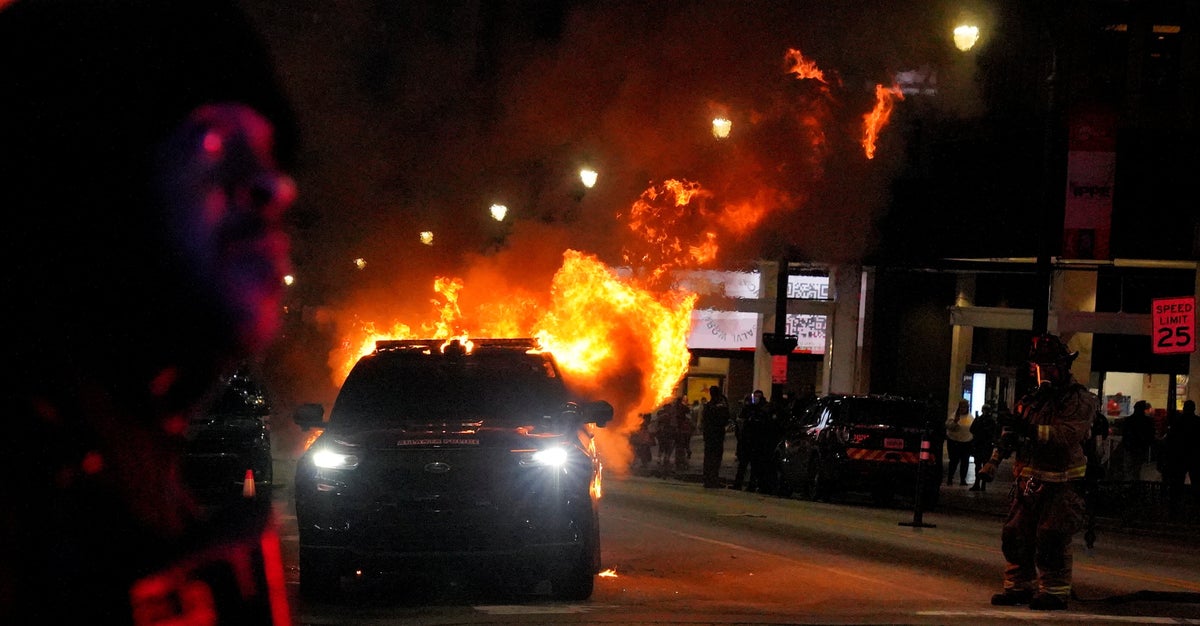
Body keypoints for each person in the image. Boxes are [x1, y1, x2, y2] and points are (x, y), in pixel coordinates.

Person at [1, 1, 300, 623]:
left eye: (268, 152)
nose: (275, 187)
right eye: (217, 145)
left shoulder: (153, 479)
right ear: (94, 185)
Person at [977, 333, 1098, 611]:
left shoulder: (1079, 400)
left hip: (1063, 483)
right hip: (1028, 483)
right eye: (1037, 367)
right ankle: (1019, 587)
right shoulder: (1030, 400)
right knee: (1015, 535)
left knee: (1052, 537)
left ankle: (1054, 593)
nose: (1042, 373)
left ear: (1063, 366)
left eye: (1049, 366)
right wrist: (992, 463)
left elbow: (1068, 434)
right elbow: (1010, 435)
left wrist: (1029, 429)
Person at [1162, 399, 1198, 516]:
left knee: (1177, 482)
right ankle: (1194, 506)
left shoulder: (1178, 422)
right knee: (1196, 481)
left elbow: (1171, 439)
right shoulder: (1197, 422)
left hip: (1179, 456)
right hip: (1194, 455)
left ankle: (1175, 507)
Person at [733, 390, 770, 491]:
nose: (756, 398)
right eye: (755, 396)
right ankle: (738, 483)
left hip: (757, 441)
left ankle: (752, 485)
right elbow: (741, 422)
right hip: (747, 441)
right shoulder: (749, 408)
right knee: (743, 464)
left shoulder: (764, 408)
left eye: (758, 397)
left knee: (754, 465)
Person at [701, 385, 732, 488]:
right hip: (717, 435)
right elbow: (726, 416)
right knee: (715, 458)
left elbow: (704, 420)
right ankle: (713, 480)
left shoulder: (708, 406)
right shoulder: (719, 406)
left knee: (708, 458)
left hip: (709, 435)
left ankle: (707, 479)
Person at [1121, 400, 1156, 482]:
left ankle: (1129, 484)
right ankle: (1136, 485)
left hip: (1130, 448)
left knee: (1129, 469)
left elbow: (1125, 434)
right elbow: (1151, 435)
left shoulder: (1129, 420)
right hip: (1141, 448)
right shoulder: (1148, 421)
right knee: (1138, 469)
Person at [969, 401, 999, 491]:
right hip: (980, 445)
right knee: (978, 466)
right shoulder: (980, 419)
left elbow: (993, 433)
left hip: (985, 445)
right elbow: (972, 429)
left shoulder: (990, 421)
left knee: (984, 465)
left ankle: (982, 484)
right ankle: (978, 484)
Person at [945, 398, 974, 486]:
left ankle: (963, 479)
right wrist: (955, 422)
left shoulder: (970, 417)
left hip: (966, 442)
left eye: (965, 407)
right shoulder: (954, 416)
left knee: (965, 462)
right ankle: (950, 478)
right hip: (954, 442)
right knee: (954, 461)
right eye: (961, 407)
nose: (963, 409)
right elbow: (948, 426)